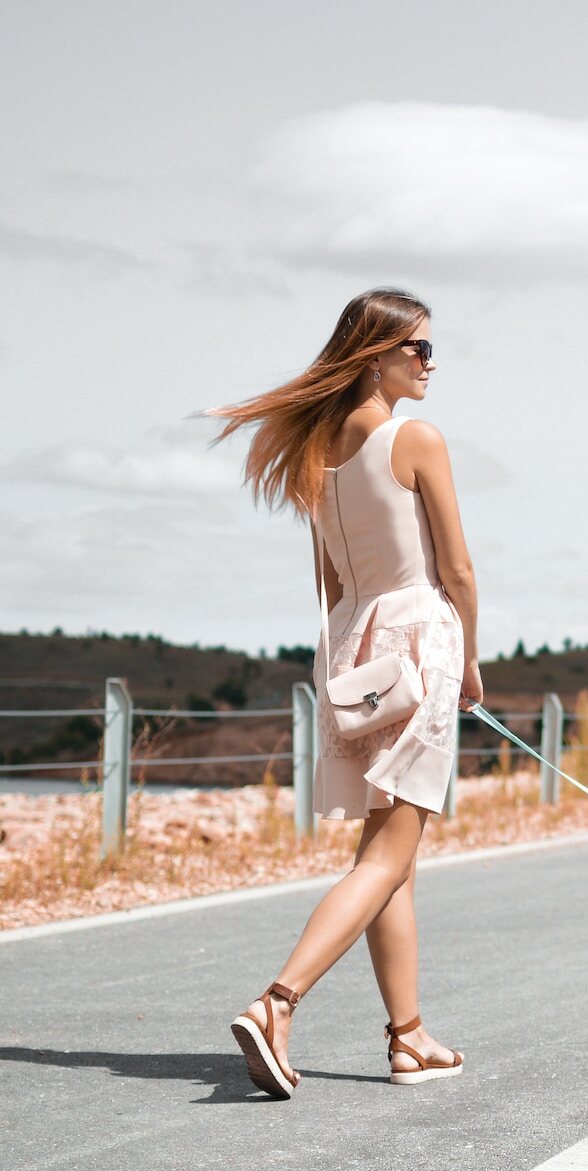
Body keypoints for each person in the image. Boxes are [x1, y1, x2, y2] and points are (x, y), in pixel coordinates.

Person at [210, 287, 481, 1099]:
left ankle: (409, 1037)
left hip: (356, 651)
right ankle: (277, 1002)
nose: (431, 364)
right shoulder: (416, 440)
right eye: (419, 350)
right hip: (420, 643)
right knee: (390, 852)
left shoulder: (317, 454)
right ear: (377, 356)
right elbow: (458, 569)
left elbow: (328, 580)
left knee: (383, 851)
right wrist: (467, 663)